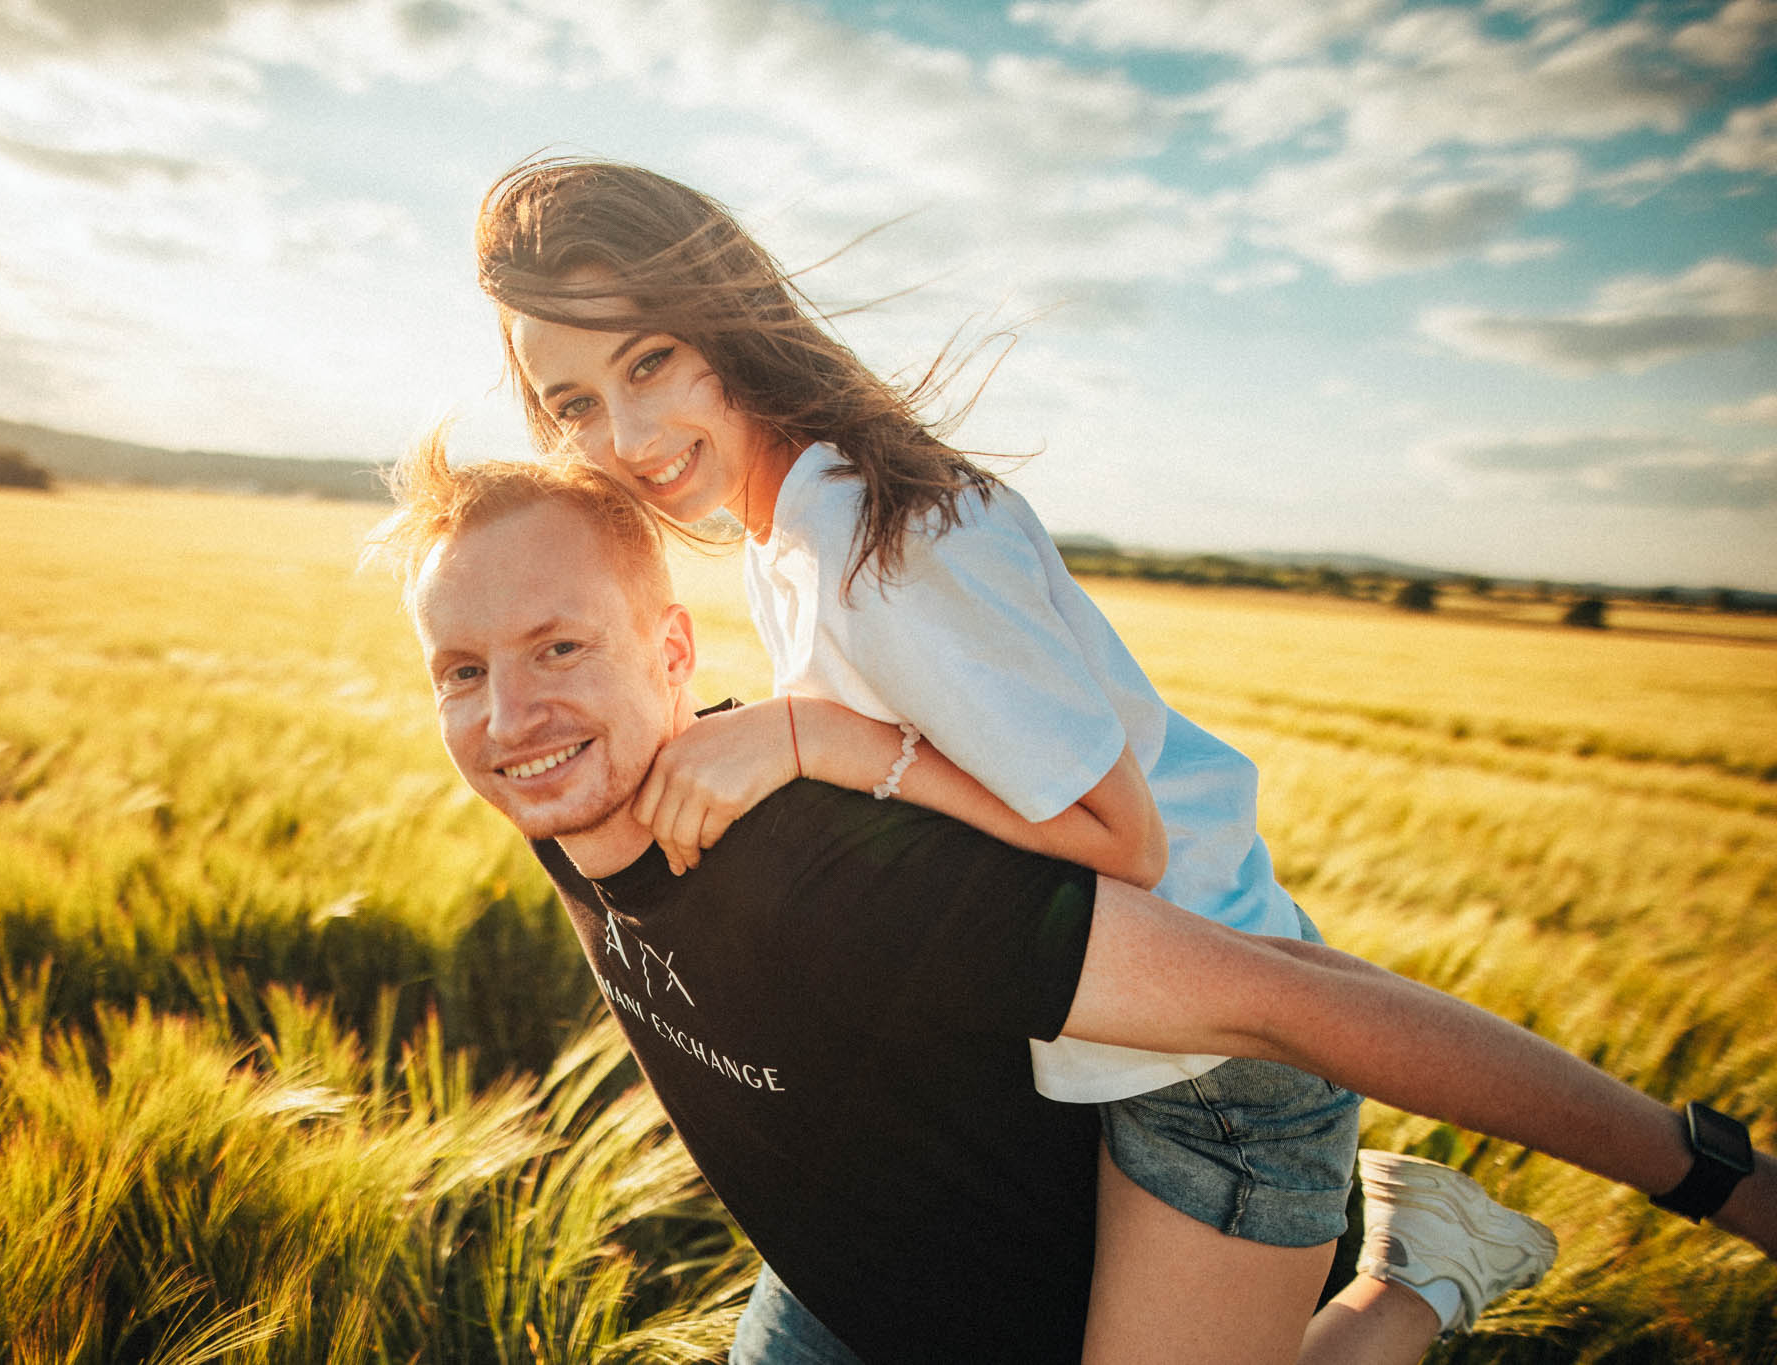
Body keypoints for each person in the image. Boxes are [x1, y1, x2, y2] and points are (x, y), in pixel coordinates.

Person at [377, 437, 1776, 1365]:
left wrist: (1706, 1168)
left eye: (563, 645)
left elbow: (1283, 999)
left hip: (1062, 1303)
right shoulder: (565, 792)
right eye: (462, 672)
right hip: (841, 1289)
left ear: (671, 652)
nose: (511, 714)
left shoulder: (833, 871)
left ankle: (1417, 1278)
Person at [470, 155, 1527, 1363]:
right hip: (1065, 1046)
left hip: (1212, 1078)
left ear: (720, 313)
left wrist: (818, 739)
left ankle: (1418, 1278)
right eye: (572, 406)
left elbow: (1123, 843)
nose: (627, 434)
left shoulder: (876, 537)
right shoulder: (784, 528)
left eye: (647, 360)